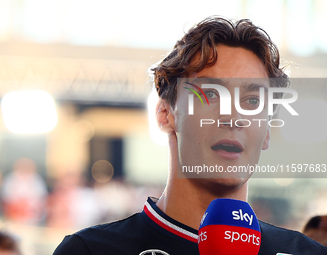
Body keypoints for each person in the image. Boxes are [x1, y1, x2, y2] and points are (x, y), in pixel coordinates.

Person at [53, 17, 327, 254]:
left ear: (267, 130)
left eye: (252, 101)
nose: (233, 117)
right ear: (165, 114)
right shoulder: (91, 251)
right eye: (210, 94)